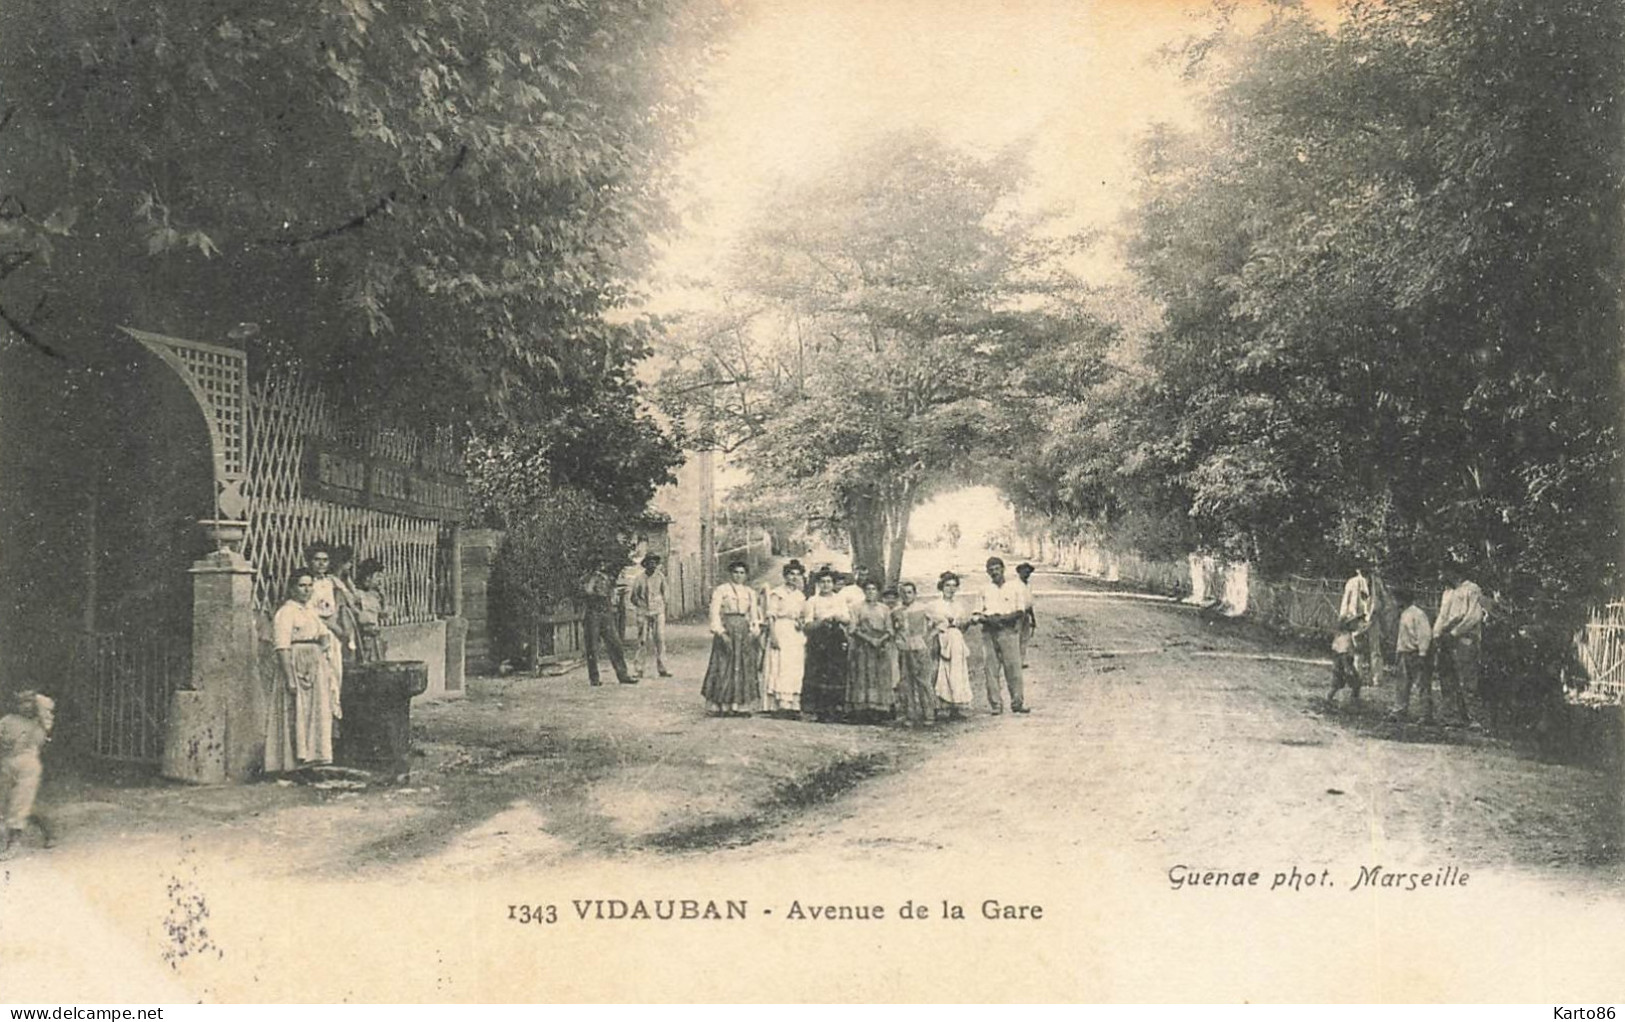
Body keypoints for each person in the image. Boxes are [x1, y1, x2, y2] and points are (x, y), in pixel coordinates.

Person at [266, 570, 339, 772]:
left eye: (309, 586)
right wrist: (290, 678)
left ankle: (312, 759)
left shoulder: (310, 611)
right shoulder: (286, 612)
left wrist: (321, 647)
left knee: (315, 712)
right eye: (301, 585)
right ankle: (292, 764)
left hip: (315, 666)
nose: (306, 590)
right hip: (295, 664)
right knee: (296, 712)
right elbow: (282, 647)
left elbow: (324, 633)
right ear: (292, 588)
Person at [702, 560, 761, 717]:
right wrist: (720, 632)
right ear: (730, 574)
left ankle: (739, 706)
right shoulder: (722, 590)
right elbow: (714, 613)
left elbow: (754, 615)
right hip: (727, 628)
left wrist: (754, 631)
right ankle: (721, 704)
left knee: (743, 665)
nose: (739, 576)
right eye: (736, 572)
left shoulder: (750, 592)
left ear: (746, 575)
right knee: (723, 665)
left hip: (743, 630)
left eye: (742, 573)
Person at [1, 690, 56, 854]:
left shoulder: (40, 723)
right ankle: (49, 832)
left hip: (28, 766)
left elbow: (47, 704)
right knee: (13, 804)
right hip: (6, 764)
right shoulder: (7, 720)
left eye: (28, 703)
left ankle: (13, 845)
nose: (24, 706)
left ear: (35, 705)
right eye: (20, 703)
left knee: (20, 803)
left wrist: (36, 699)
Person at [1433, 568, 1487, 727]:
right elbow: (1442, 616)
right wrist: (1436, 634)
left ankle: (1473, 717)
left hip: (1464, 638)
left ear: (1453, 572)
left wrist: (1455, 632)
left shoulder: (1472, 589)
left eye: (1443, 572)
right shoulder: (1447, 593)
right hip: (1446, 639)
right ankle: (1451, 716)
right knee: (1447, 677)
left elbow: (1474, 616)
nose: (1440, 576)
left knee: (1466, 678)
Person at [978, 556, 1030, 714]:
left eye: (997, 569)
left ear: (1003, 569)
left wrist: (1002, 619)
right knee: (991, 669)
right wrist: (988, 619)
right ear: (987, 572)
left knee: (1013, 668)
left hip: (1008, 630)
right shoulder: (984, 589)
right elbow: (977, 612)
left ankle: (1017, 702)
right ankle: (995, 705)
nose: (994, 572)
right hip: (989, 631)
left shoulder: (1015, 587)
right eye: (991, 570)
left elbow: (1020, 611)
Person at [306, 543, 353, 711]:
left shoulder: (331, 582)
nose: (321, 564)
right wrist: (329, 624)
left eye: (325, 560)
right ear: (310, 561)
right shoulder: (307, 582)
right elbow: (307, 609)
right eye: (317, 560)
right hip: (314, 630)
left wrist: (334, 623)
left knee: (335, 673)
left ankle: (332, 717)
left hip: (331, 631)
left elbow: (344, 601)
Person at [800, 569, 852, 722]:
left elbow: (847, 619)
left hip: (836, 636)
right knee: (819, 671)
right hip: (819, 638)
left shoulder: (839, 599)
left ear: (833, 584)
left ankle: (836, 708)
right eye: (822, 582)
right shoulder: (812, 601)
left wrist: (838, 617)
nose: (826, 585)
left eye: (829, 582)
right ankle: (820, 709)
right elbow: (807, 624)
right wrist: (821, 622)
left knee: (836, 671)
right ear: (818, 584)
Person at [761, 561, 808, 715]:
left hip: (794, 633)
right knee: (780, 664)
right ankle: (779, 703)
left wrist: (801, 623)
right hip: (780, 629)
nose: (794, 577)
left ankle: (793, 703)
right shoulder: (777, 593)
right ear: (785, 576)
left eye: (797, 574)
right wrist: (773, 635)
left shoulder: (800, 595)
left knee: (794, 666)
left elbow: (802, 615)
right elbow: (771, 617)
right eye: (791, 574)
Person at [928, 572, 975, 719]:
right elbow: (929, 625)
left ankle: (955, 706)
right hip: (941, 638)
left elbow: (962, 627)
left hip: (956, 640)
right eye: (947, 585)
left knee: (957, 671)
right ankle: (938, 706)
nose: (950, 589)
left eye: (954, 586)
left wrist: (965, 623)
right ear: (941, 586)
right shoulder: (934, 605)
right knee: (940, 671)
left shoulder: (959, 605)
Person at [847, 581, 896, 722]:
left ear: (878, 592)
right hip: (863, 646)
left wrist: (880, 640)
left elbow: (890, 629)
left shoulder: (884, 609)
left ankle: (879, 709)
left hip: (880, 647)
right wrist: (869, 639)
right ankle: (863, 709)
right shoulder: (856, 607)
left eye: (874, 589)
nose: (870, 592)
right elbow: (853, 628)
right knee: (863, 676)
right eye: (868, 589)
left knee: (879, 676)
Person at [582, 561, 637, 686]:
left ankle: (623, 674)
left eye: (602, 564)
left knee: (615, 643)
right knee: (592, 646)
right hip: (593, 613)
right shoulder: (587, 578)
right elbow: (588, 592)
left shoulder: (607, 578)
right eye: (598, 564)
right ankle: (594, 678)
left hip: (606, 612)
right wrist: (594, 578)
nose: (601, 566)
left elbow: (612, 596)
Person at [893, 581, 936, 726]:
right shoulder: (896, 611)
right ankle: (910, 715)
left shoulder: (923, 608)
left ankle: (929, 714)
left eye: (909, 592)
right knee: (906, 682)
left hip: (919, 648)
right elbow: (893, 629)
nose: (906, 595)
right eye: (903, 593)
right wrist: (897, 641)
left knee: (923, 681)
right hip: (904, 649)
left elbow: (941, 622)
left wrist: (928, 637)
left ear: (915, 594)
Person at [1391, 588, 1434, 723]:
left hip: (1416, 653)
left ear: (1402, 600)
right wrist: (1398, 653)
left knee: (1421, 684)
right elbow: (1401, 637)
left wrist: (1422, 654)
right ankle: (1400, 710)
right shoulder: (1403, 614)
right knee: (1402, 683)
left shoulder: (1418, 614)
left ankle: (1425, 714)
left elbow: (1424, 635)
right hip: (1404, 653)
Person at [630, 554, 673, 678]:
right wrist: (641, 605)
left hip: (658, 612)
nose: (652, 565)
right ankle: (638, 669)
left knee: (660, 638)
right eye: (649, 563)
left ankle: (663, 668)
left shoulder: (660, 577)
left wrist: (661, 603)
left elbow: (666, 593)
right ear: (645, 564)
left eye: (654, 563)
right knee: (642, 640)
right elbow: (633, 597)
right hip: (643, 613)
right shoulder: (639, 578)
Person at [352, 557, 390, 665]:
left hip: (376, 635)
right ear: (367, 578)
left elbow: (383, 615)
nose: (380, 581)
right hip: (364, 636)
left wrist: (384, 599)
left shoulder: (376, 596)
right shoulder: (359, 595)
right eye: (377, 577)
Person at [1327, 606, 1366, 708]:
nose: (1357, 624)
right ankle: (1353, 700)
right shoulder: (1346, 638)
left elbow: (1339, 650)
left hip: (1340, 663)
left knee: (1337, 684)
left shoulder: (1341, 636)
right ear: (1347, 625)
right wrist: (1347, 668)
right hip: (1344, 664)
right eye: (1354, 623)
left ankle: (1330, 698)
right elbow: (1343, 654)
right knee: (1355, 682)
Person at [1014, 562, 1038, 667]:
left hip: (1026, 614)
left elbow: (1030, 603)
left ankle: (1021, 661)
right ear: (1019, 572)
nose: (1026, 574)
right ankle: (1014, 661)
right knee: (1016, 638)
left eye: (1028, 572)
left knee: (1024, 638)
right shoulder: (1014, 585)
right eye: (1024, 572)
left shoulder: (1028, 585)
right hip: (1017, 614)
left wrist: (1033, 618)